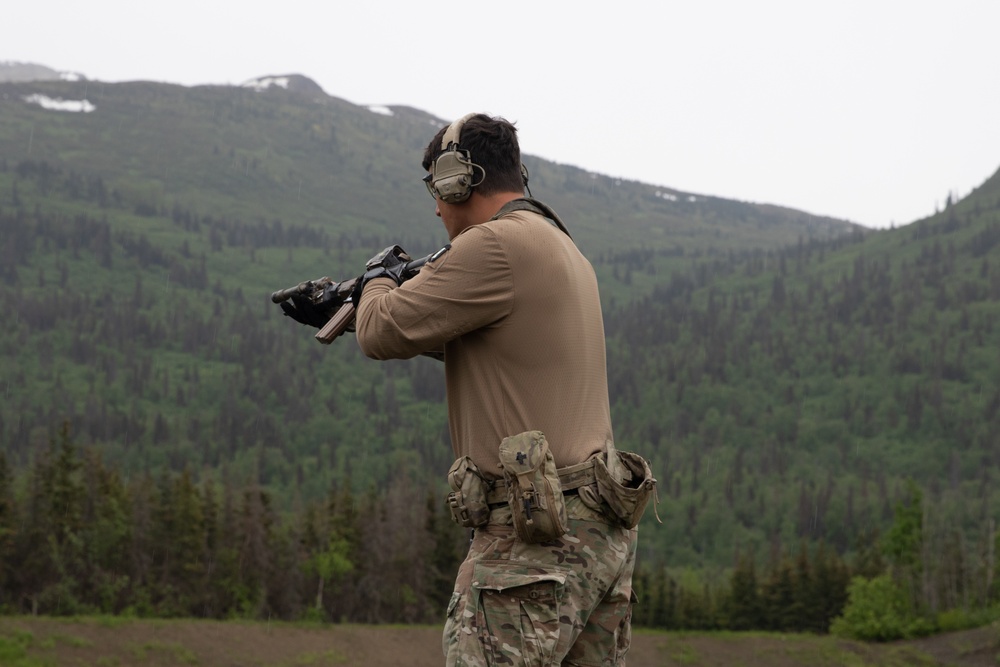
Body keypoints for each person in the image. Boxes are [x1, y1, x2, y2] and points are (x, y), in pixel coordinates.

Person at [352, 113, 650, 666]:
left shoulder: (493, 246)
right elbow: (474, 343)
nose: (436, 209)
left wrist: (373, 281)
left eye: (434, 191)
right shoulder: (558, 245)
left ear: (454, 179)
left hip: (534, 538)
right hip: (594, 531)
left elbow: (380, 330)